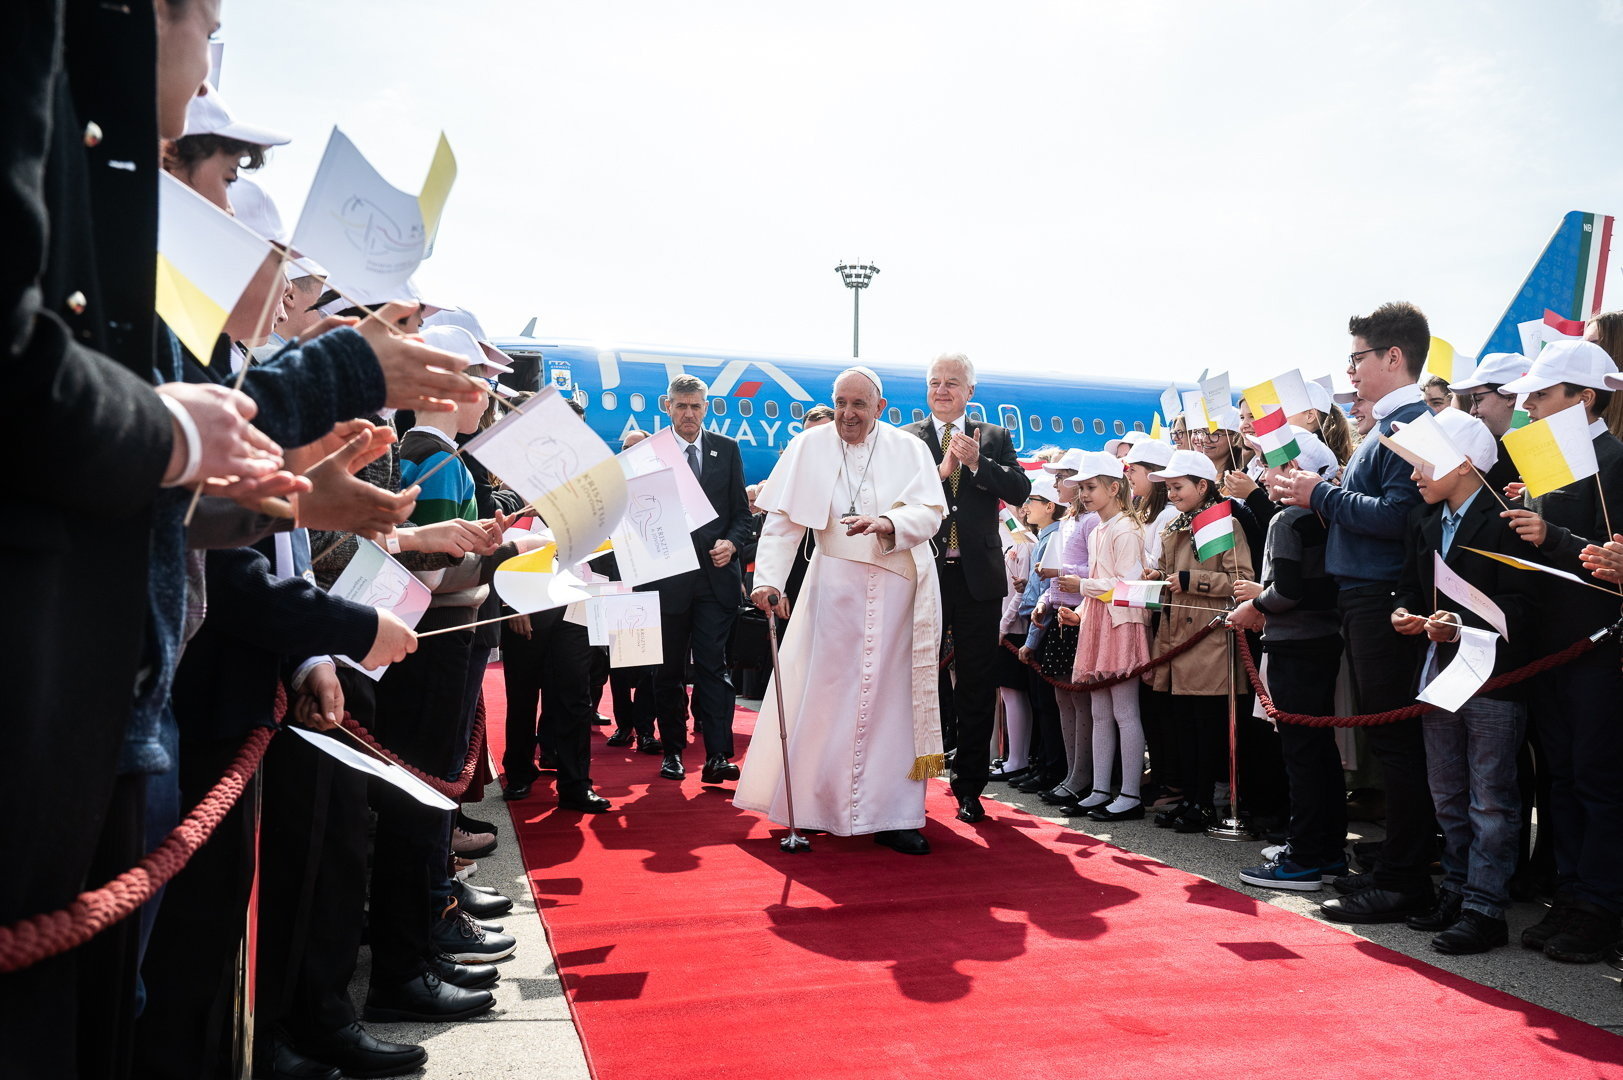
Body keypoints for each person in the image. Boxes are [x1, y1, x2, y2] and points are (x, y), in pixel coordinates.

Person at [1271, 301, 1434, 924]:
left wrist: (1323, 494)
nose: (1352, 372)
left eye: (1358, 358)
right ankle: (1399, 865)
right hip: (1364, 595)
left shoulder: (1409, 426)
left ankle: (1405, 877)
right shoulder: (1390, 427)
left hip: (1382, 595)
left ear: (1394, 358)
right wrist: (1322, 499)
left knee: (1396, 742)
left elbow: (1398, 517)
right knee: (1390, 740)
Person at [737, 368, 945, 854]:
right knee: (827, 698)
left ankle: (895, 815)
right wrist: (766, 580)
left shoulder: (909, 449)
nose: (848, 414)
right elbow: (783, 523)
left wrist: (888, 520)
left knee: (890, 705)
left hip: (896, 588)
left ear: (880, 408)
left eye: (858, 405)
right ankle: (813, 805)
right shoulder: (809, 446)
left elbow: (930, 514)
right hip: (833, 589)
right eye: (840, 403)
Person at [1388, 410, 1539, 954]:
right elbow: (1407, 588)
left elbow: (1526, 605)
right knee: (1447, 793)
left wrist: (1464, 623)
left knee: (1491, 798)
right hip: (1438, 674)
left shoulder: (1507, 519)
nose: (1414, 475)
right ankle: (1456, 888)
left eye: (1425, 463)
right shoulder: (1424, 522)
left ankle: (1485, 907)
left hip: (1496, 680)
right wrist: (1403, 615)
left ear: (1466, 462)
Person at [1498, 340, 1623, 962]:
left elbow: (1608, 555)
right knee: (1561, 777)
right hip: (1550, 647)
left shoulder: (1617, 461)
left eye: (1542, 396)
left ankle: (1600, 905)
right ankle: (1571, 895)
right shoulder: (1552, 455)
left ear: (1585, 399)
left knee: (1597, 779)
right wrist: (1527, 513)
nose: (1530, 407)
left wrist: (1550, 531)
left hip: (1597, 648)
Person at [902, 353, 1031, 823]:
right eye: (934, 382)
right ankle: (911, 780)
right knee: (917, 678)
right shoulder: (909, 439)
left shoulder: (993, 436)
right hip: (923, 578)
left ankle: (970, 788)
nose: (941, 390)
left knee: (976, 685)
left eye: (951, 383)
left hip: (977, 580)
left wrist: (979, 465)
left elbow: (1020, 490)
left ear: (969, 392)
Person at [1230, 431, 1347, 891]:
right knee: (1320, 754)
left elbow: (1289, 590)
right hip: (1324, 641)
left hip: (1295, 644)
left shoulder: (1287, 520)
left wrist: (1255, 607)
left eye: (1275, 466)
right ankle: (1328, 851)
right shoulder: (1326, 516)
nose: (1265, 474)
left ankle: (1302, 859)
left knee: (1301, 755)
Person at [642, 375, 753, 783]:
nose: (689, 413)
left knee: (713, 667)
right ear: (667, 406)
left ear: (706, 407)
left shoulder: (727, 450)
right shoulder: (651, 454)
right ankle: (672, 751)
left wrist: (732, 543)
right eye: (681, 406)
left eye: (696, 406)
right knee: (668, 671)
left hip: (715, 579)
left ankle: (718, 755)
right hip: (668, 580)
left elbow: (743, 515)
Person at [1146, 449, 1255, 834]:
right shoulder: (1175, 525)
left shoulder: (1224, 525)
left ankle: (1206, 802)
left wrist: (1192, 581)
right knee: (1184, 728)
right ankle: (1192, 798)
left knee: (1206, 729)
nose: (1171, 494)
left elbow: (1241, 580)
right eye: (1169, 487)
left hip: (1210, 642)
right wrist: (1156, 573)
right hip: (1179, 637)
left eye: (1177, 486)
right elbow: (1170, 573)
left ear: (1202, 485)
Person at [1069, 452, 1152, 820]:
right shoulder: (1100, 528)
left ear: (1113, 488)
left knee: (1124, 711)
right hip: (1100, 621)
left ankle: (1130, 794)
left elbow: (1129, 587)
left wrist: (1082, 586)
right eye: (1082, 488)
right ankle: (1101, 788)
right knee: (1101, 711)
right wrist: (1081, 611)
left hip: (1122, 623)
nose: (1084, 494)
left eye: (1090, 487)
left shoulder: (1126, 529)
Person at [1020, 450, 1099, 812]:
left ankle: (1084, 775)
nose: (1057, 486)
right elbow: (1057, 576)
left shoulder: (1091, 521)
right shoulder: (1070, 520)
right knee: (1064, 700)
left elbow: (1095, 570)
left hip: (1083, 615)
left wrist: (1060, 576)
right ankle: (1071, 773)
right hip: (1061, 613)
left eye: (1062, 478)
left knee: (1080, 702)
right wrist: (1045, 600)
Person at [991, 473, 1063, 783]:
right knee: (1025, 698)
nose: (1024, 507)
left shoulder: (1030, 541)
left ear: (1049, 506)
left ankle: (1024, 760)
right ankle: (1026, 760)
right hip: (1022, 626)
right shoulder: (1036, 538)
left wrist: (1003, 628)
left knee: (1031, 699)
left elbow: (1028, 594)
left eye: (1030, 501)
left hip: (1023, 628)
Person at [1447, 352, 1526, 494]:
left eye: (1478, 399)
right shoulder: (1494, 450)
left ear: (1510, 397)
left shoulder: (1542, 450)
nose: (1472, 411)